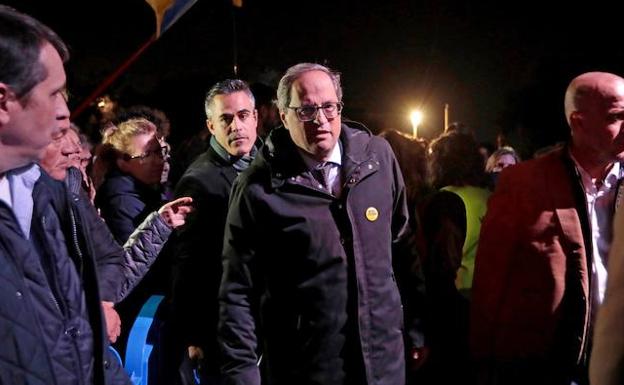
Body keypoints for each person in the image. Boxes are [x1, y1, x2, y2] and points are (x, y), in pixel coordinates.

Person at [218, 63, 423, 385]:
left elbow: (404, 247)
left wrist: (416, 329)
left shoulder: (379, 159)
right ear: (283, 116)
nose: (321, 120)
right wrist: (242, 374)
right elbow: (237, 291)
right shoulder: (257, 189)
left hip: (384, 363)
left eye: (329, 107)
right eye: (306, 110)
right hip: (306, 368)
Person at [0, 5, 130, 384]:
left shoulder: (54, 194)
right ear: (3, 101)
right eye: (54, 93)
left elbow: (79, 339)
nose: (65, 112)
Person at [470, 71, 624, 385]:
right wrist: (484, 361)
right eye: (617, 116)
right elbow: (491, 281)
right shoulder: (525, 184)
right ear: (578, 122)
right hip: (552, 367)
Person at [171, 79, 259, 384]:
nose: (237, 126)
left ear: (256, 117)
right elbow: (190, 264)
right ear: (211, 126)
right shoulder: (199, 180)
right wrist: (195, 335)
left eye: (244, 115)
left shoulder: (268, 162)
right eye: (226, 118)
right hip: (224, 328)